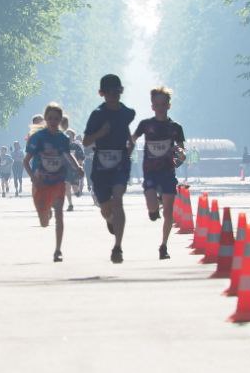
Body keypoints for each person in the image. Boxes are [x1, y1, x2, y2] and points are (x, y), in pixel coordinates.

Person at [83, 74, 136, 264]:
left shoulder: (128, 113)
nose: (114, 96)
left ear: (121, 91)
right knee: (106, 209)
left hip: (120, 162)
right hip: (101, 164)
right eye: (109, 93)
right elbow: (86, 141)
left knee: (118, 200)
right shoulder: (97, 114)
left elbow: (126, 129)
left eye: (117, 92)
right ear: (102, 93)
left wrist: (129, 146)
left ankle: (118, 247)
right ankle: (109, 219)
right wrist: (101, 133)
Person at [130, 86, 186, 260]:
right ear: (152, 106)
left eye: (164, 103)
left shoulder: (176, 127)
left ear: (169, 105)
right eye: (157, 104)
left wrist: (181, 155)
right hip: (150, 173)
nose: (160, 107)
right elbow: (132, 139)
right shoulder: (146, 125)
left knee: (168, 212)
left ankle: (164, 246)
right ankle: (155, 205)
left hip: (168, 172)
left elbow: (182, 149)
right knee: (153, 211)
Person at [25, 104, 83, 262]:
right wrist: (33, 176)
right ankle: (46, 209)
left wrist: (78, 167)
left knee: (60, 215)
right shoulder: (38, 138)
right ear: (45, 119)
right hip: (41, 182)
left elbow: (67, 155)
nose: (53, 121)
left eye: (56, 119)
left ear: (60, 120)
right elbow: (26, 161)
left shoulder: (63, 138)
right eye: (50, 118)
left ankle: (58, 250)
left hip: (58, 180)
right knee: (44, 223)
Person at [64, 129, 85, 211]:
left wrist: (79, 167)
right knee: (67, 187)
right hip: (65, 170)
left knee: (75, 189)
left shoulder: (76, 146)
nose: (68, 137)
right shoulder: (62, 146)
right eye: (66, 135)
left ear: (73, 137)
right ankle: (70, 204)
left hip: (74, 170)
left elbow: (81, 158)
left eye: (70, 135)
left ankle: (78, 192)